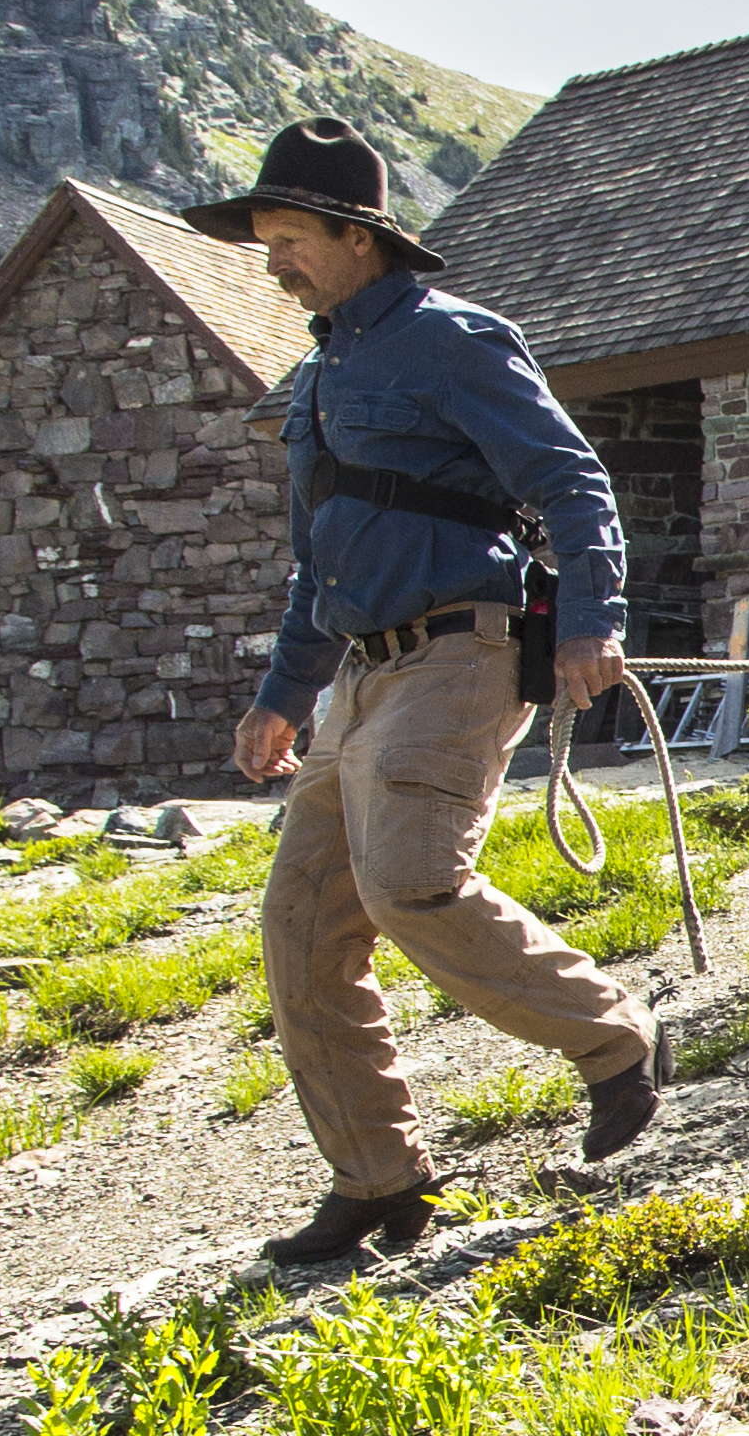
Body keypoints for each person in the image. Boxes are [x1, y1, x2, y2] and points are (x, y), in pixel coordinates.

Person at [190, 115, 665, 1270]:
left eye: (291, 236)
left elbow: (572, 482)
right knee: (302, 932)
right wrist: (281, 697)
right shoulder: (318, 376)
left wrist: (595, 621)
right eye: (266, 238)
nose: (273, 260)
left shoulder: (457, 341)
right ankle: (380, 1184)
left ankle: (615, 1039)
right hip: (357, 678)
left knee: (409, 881)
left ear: (361, 237)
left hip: (459, 655)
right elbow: (322, 559)